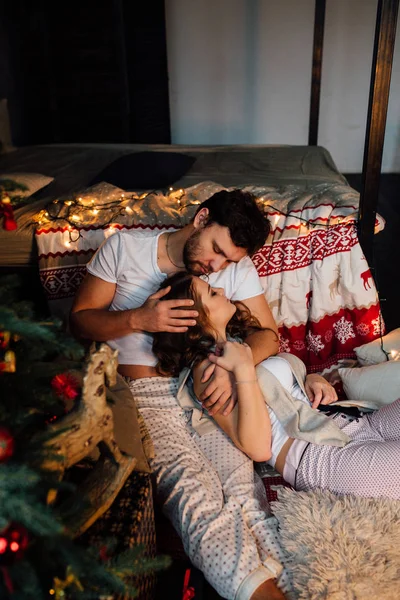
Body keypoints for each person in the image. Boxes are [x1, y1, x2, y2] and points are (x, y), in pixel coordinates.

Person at [70, 189, 290, 600]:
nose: (216, 267)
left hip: (200, 389)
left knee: (241, 484)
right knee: (194, 492)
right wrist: (139, 317)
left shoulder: (233, 271)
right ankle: (260, 593)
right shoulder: (125, 249)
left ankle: (286, 576)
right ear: (202, 219)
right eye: (215, 251)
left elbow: (268, 335)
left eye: (228, 261)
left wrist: (233, 363)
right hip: (142, 395)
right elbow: (79, 322)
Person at [153, 271, 400, 501]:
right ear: (192, 316)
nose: (220, 288)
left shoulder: (239, 343)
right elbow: (259, 448)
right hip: (321, 457)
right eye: (211, 292)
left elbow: (281, 380)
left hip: (353, 423)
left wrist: (312, 380)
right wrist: (243, 370)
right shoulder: (208, 372)